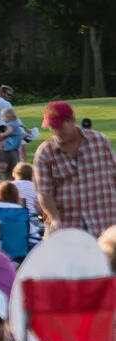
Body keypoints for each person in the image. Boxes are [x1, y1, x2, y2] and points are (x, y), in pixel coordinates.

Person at [34, 100, 116, 239]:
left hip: (104, 223)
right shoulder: (45, 153)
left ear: (72, 120)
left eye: (60, 126)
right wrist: (55, 219)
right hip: (68, 228)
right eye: (52, 127)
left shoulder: (99, 142)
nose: (56, 131)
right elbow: (44, 194)